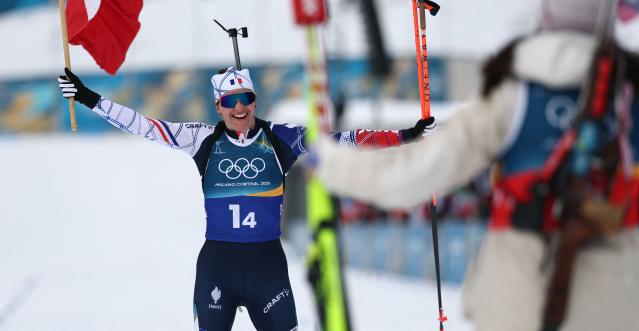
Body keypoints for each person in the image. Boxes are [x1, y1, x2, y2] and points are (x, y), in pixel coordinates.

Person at [314, 0, 639, 331]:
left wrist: (331, 164)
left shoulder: (512, 95)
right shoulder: (631, 97)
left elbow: (413, 174)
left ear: (545, 17)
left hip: (521, 304)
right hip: (621, 304)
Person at [57, 65, 432, 331]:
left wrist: (402, 136)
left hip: (267, 266)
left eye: (246, 99)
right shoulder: (201, 138)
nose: (240, 108)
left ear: (255, 101)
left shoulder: (282, 137)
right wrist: (90, 98)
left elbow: (342, 141)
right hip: (217, 264)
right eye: (230, 101)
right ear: (218, 106)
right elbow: (144, 126)